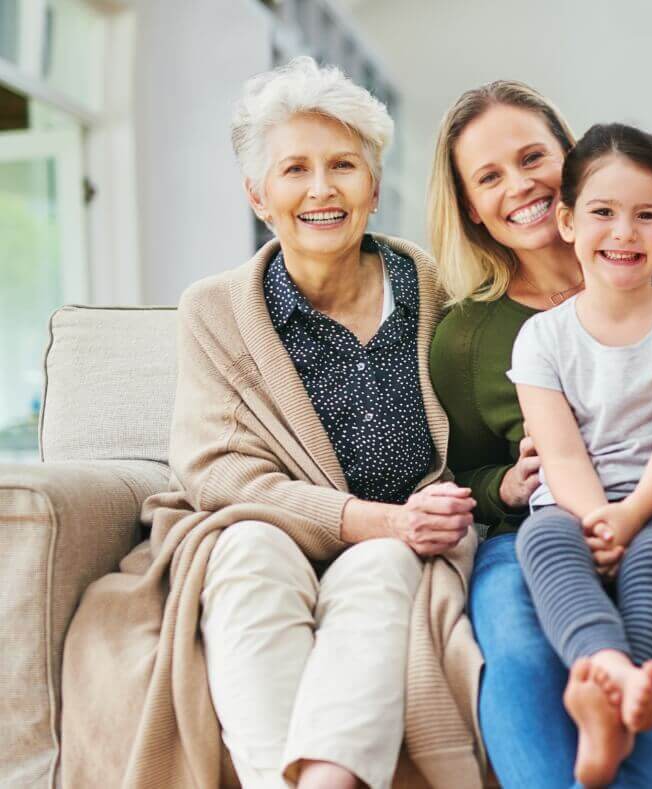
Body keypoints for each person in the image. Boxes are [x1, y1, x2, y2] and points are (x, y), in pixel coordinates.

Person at [61, 56, 483, 789]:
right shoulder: (216, 308)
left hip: (402, 545)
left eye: (343, 165)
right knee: (249, 552)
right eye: (294, 170)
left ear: (374, 187)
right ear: (259, 195)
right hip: (271, 529)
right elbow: (216, 471)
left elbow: (486, 423)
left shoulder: (439, 292)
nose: (321, 189)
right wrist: (375, 519)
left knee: (386, 568)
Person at [426, 82, 652, 788]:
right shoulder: (469, 335)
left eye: (533, 157)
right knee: (524, 655)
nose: (519, 185)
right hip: (548, 531)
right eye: (489, 176)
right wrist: (504, 482)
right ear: (470, 206)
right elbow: (458, 475)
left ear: (571, 158)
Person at [508, 122, 652, 786]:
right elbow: (560, 451)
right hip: (578, 504)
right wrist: (596, 520)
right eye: (603, 212)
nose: (624, 232)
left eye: (647, 216)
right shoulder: (541, 338)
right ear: (567, 221)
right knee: (542, 540)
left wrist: (633, 515)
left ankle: (615, 701)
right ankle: (611, 669)